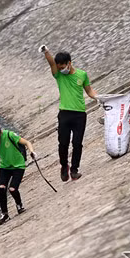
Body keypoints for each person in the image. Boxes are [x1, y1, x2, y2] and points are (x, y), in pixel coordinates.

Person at [39, 46, 101, 182]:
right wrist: (46, 52)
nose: (61, 70)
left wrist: (100, 98)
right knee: (63, 143)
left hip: (79, 114)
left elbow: (90, 91)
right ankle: (64, 166)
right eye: (59, 67)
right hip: (64, 114)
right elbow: (51, 63)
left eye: (63, 67)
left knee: (77, 143)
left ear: (69, 63)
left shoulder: (82, 75)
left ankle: (74, 170)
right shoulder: (59, 75)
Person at [0, 113, 36, 225]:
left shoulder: (9, 135)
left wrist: (32, 151)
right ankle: (4, 214)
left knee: (12, 189)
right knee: (1, 188)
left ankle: (19, 205)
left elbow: (27, 142)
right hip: (5, 167)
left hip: (18, 166)